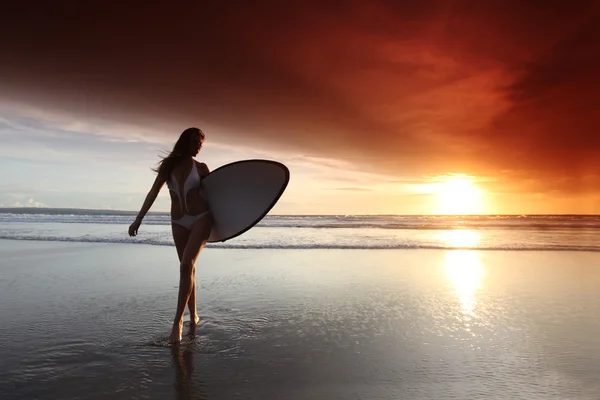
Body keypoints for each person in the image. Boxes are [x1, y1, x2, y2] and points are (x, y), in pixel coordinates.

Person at [128, 127, 212, 344]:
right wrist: (139, 218)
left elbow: (217, 194)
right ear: (186, 142)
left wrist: (231, 223)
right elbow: (153, 192)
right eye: (196, 142)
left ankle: (177, 323)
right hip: (178, 222)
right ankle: (193, 314)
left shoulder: (201, 168)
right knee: (188, 268)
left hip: (201, 218)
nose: (199, 147)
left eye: (201, 143)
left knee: (185, 266)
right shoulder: (169, 165)